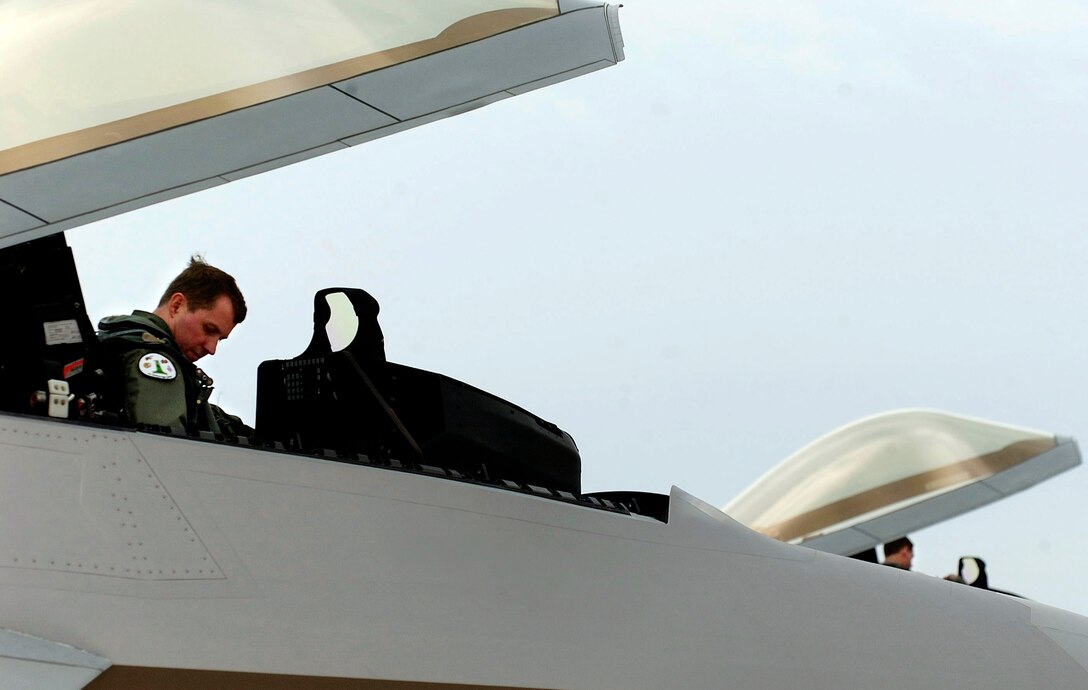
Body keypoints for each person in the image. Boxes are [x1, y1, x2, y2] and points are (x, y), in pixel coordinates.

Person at [97, 256, 251, 437]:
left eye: (220, 339)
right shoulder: (156, 362)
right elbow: (166, 445)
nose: (212, 349)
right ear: (177, 305)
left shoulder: (126, 347)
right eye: (209, 329)